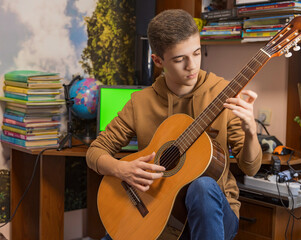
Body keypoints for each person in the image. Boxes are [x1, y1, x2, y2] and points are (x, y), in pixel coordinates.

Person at [86, 9, 262, 240]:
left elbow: (251, 168)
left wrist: (251, 132)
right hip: (155, 211)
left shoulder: (225, 93)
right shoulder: (141, 102)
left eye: (197, 53)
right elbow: (95, 152)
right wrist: (122, 169)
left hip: (214, 216)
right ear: (158, 61)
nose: (192, 65)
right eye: (180, 59)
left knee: (202, 186)